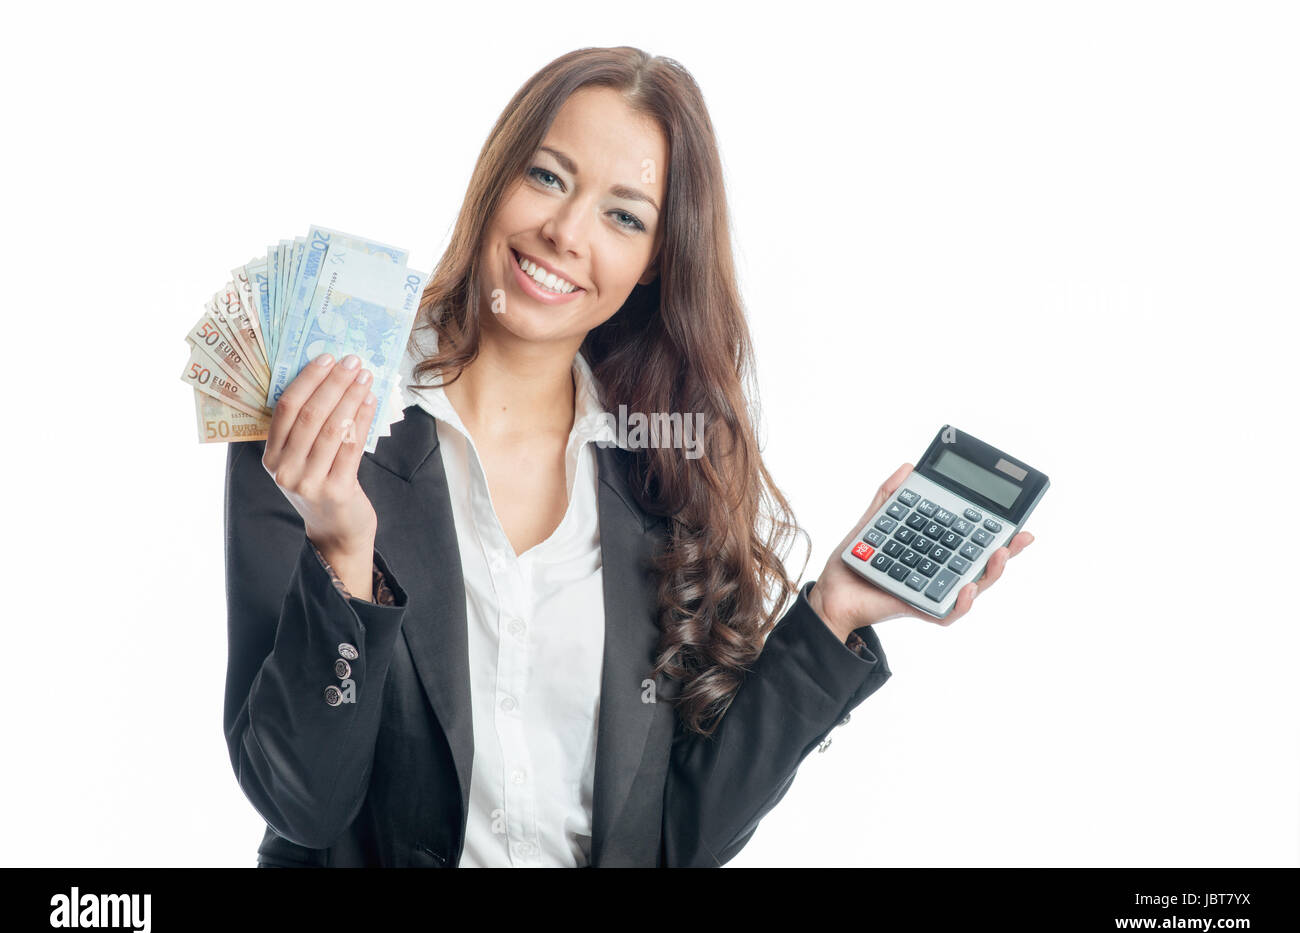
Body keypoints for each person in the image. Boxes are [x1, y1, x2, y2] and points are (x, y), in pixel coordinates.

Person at [222, 46, 1034, 868]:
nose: (566, 233)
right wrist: (341, 554)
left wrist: (836, 612)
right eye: (546, 176)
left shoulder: (661, 473)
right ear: (495, 176)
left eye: (625, 216)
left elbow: (677, 835)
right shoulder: (318, 418)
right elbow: (301, 801)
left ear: (653, 264)